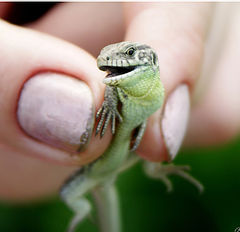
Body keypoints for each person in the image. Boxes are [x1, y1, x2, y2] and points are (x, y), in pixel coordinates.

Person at [0, 2, 239, 201]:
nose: (111, 61)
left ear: (151, 59)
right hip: (97, 163)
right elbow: (109, 84)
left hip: (121, 152)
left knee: (148, 145)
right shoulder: (120, 88)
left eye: (130, 54)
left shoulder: (154, 91)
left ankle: (156, 168)